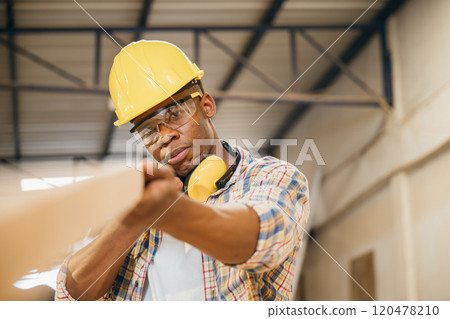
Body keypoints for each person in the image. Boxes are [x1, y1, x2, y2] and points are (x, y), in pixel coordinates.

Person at [55, 40, 310, 301]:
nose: (164, 137)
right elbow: (69, 297)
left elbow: (265, 241)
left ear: (207, 105)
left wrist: (171, 211)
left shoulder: (271, 176)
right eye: (147, 129)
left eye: (174, 114)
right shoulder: (134, 203)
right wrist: (131, 222)